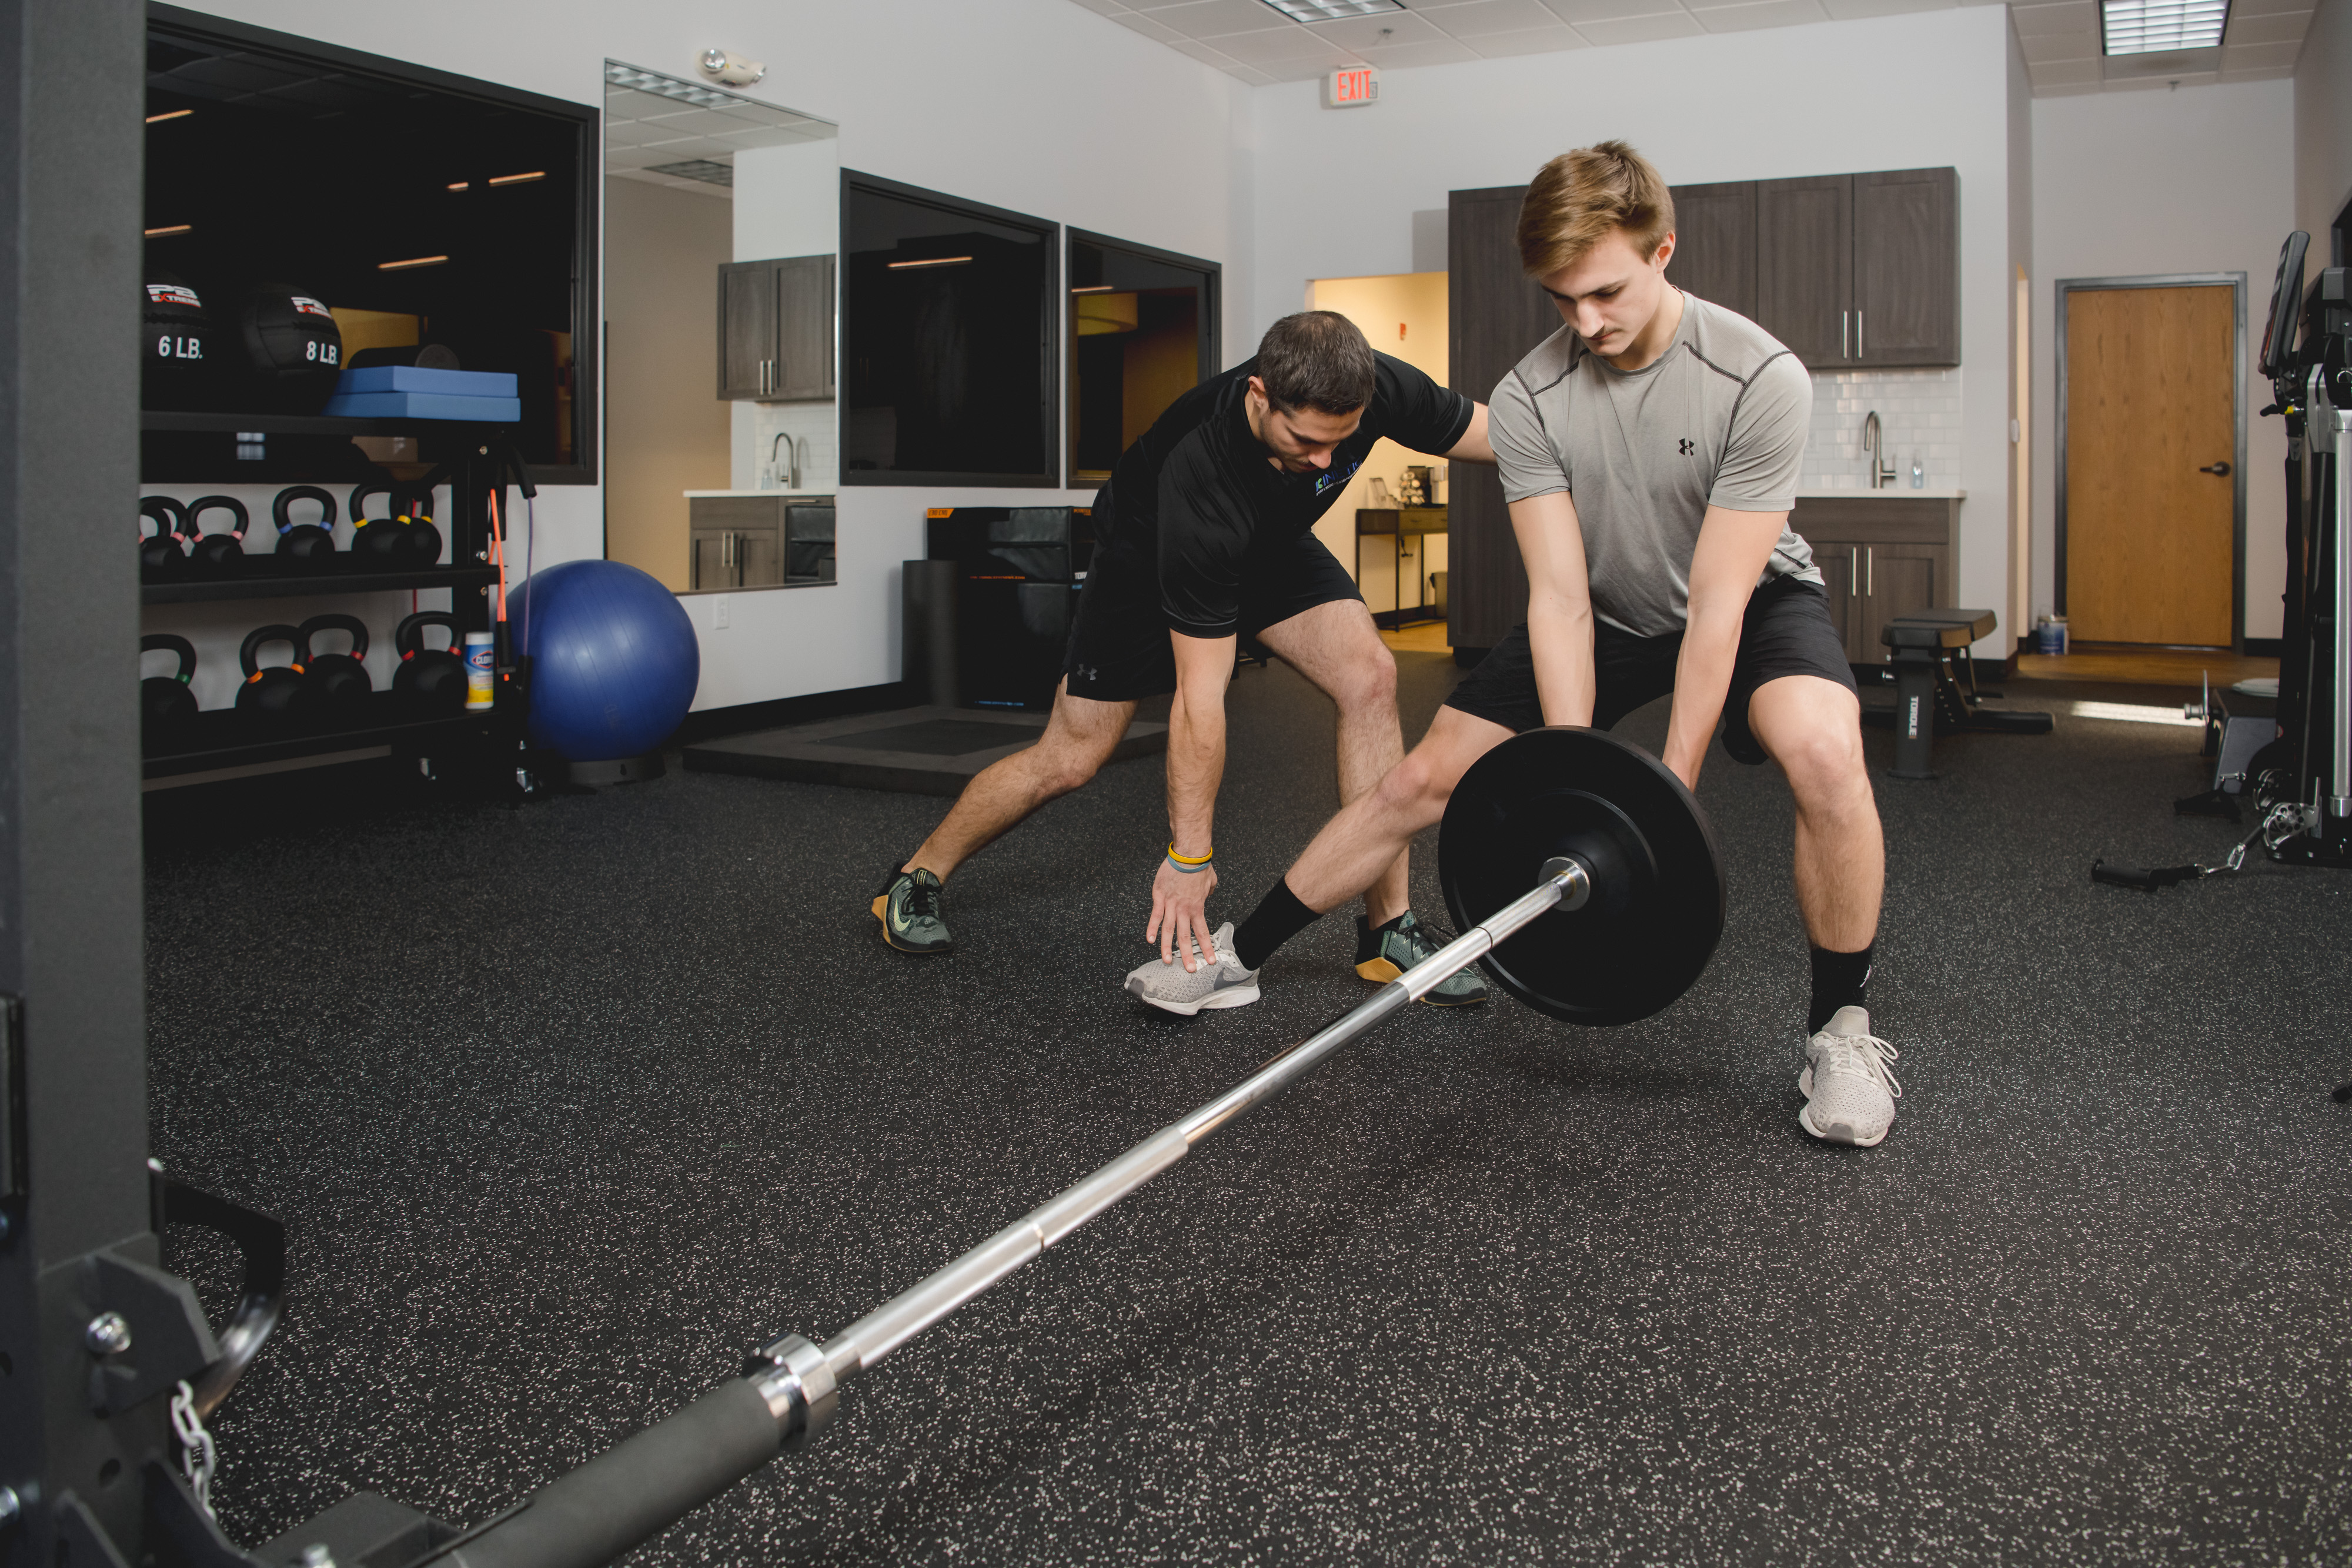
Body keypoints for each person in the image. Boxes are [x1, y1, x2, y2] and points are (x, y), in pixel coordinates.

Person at [1134, 142, 1902, 1149]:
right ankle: (1240, 953)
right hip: (1603, 606)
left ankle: (1841, 1029)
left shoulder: (1759, 375)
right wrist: (1574, 775)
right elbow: (1557, 594)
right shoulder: (1536, 394)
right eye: (1560, 300)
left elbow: (1716, 604)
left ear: (1663, 249)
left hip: (1752, 601)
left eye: (1606, 292)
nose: (1585, 323)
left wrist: (1659, 799)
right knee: (1421, 779)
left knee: (1824, 748)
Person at [873, 310, 1498, 1011]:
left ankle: (1387, 928)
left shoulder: (1376, 385)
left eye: (1341, 441)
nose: (1325, 462)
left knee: (1371, 676)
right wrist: (1189, 856)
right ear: (1259, 396)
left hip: (1269, 542)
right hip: (1151, 555)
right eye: (1304, 441)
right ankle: (916, 875)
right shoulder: (1200, 474)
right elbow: (1201, 699)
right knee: (1072, 756)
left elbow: (1504, 434)